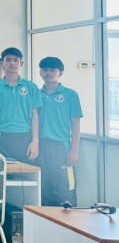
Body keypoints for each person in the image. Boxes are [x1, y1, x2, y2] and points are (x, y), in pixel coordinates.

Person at [38, 57, 83, 206]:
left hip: (61, 147)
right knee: (43, 188)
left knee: (65, 188)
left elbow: (76, 124)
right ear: (40, 73)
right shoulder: (36, 94)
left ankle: (70, 218)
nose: (48, 73)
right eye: (45, 70)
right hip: (40, 146)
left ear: (60, 73)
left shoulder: (70, 94)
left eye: (53, 70)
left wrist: (74, 150)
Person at [0, 47, 42, 163]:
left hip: (24, 137)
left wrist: (35, 140)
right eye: (8, 60)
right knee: (2, 171)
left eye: (15, 60)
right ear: (3, 64)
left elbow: (35, 115)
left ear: (21, 63)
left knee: (25, 172)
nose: (12, 63)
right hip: (2, 137)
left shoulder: (31, 87)